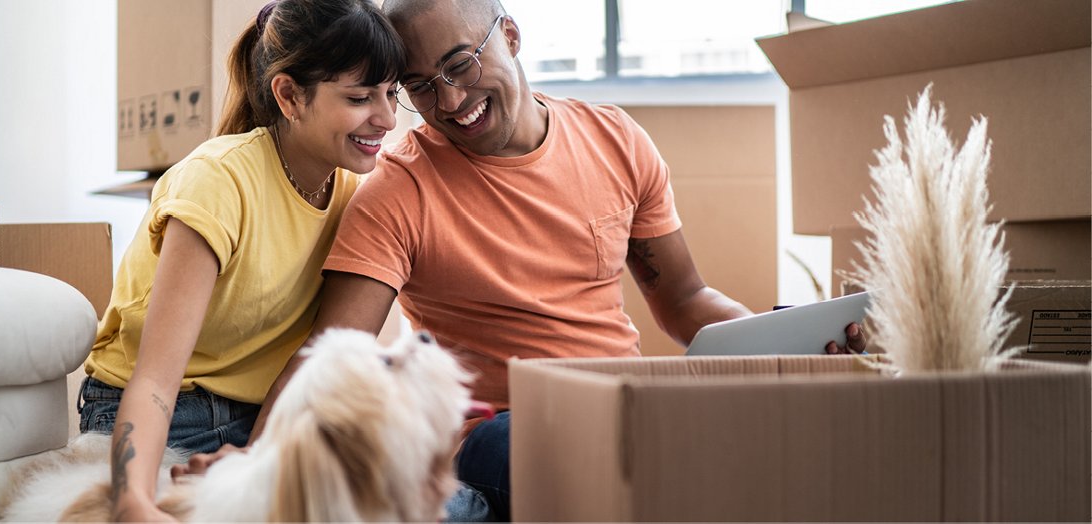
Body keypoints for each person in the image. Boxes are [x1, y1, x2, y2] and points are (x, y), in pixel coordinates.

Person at [177, 0, 867, 520]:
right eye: (419, 87)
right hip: (497, 434)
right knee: (526, 445)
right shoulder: (400, 189)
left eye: (459, 66)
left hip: (628, 407)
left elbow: (686, 301)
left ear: (509, 36)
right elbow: (332, 350)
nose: (449, 102)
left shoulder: (616, 139)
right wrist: (257, 460)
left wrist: (785, 353)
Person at [76, 0, 405, 520]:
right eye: (360, 97)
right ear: (290, 95)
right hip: (163, 410)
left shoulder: (350, 192)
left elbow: (318, 360)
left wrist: (259, 451)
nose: (386, 118)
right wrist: (133, 499)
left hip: (260, 416)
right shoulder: (218, 181)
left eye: (392, 93)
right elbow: (155, 380)